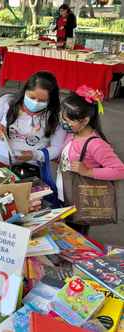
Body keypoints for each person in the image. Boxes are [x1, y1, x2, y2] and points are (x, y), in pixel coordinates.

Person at [57, 86, 124, 234]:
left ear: (85, 120)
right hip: (65, 195)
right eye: (62, 117)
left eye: (68, 120)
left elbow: (120, 170)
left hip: (79, 201)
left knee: (74, 238)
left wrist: (88, 171)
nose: (63, 123)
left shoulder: (95, 144)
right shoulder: (73, 133)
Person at [0, 71, 65, 174]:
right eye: (32, 97)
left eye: (42, 101)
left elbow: (57, 148)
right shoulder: (7, 102)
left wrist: (35, 155)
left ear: (51, 101)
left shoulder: (55, 116)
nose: (36, 103)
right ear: (24, 91)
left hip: (31, 167)